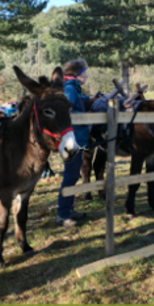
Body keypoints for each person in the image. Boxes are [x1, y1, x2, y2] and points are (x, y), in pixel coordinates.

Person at [56, 59, 90, 228]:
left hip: (77, 137)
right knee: (70, 176)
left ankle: (68, 209)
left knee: (74, 175)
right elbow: (66, 110)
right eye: (84, 72)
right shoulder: (70, 89)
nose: (86, 75)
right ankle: (62, 215)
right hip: (71, 139)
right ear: (76, 74)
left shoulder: (74, 88)